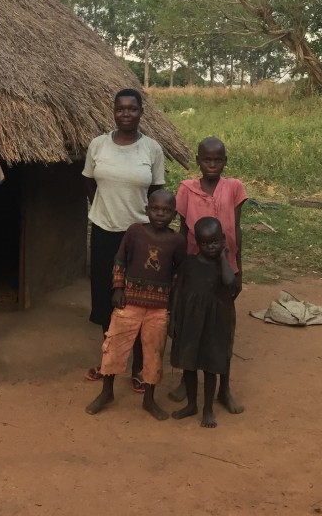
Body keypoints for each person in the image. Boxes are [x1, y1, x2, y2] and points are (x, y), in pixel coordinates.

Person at [82, 88, 166, 390]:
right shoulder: (98, 145)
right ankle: (108, 363)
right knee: (107, 300)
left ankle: (140, 368)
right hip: (105, 231)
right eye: (120, 109)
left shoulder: (152, 150)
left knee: (141, 301)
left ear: (141, 112)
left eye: (132, 109)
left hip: (141, 235)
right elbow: (89, 182)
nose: (126, 114)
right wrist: (103, 209)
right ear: (113, 112)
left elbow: (157, 193)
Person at [84, 189, 186, 419]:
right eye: (155, 208)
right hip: (129, 302)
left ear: (174, 214)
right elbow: (120, 259)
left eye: (166, 210)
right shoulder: (135, 232)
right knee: (114, 346)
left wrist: (173, 303)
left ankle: (149, 399)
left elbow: (180, 273)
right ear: (147, 209)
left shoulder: (177, 241)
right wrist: (118, 288)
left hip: (158, 308)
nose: (160, 214)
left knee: (154, 352)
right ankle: (106, 392)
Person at [168, 136, 247, 413]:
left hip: (223, 270)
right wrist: (177, 269)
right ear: (198, 161)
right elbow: (181, 231)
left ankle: (223, 388)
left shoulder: (234, 188)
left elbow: (236, 230)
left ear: (225, 161)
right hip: (193, 268)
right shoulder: (186, 189)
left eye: (217, 160)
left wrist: (238, 270)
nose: (212, 165)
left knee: (222, 330)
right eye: (206, 159)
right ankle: (185, 383)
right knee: (190, 326)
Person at [169, 216, 238, 428]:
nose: (211, 247)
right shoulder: (189, 264)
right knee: (189, 366)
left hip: (213, 325)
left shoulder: (222, 266)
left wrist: (222, 258)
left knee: (210, 367)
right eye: (205, 243)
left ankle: (208, 409)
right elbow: (177, 292)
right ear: (197, 243)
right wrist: (173, 320)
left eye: (215, 242)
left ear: (223, 240)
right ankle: (192, 405)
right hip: (190, 322)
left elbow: (230, 282)